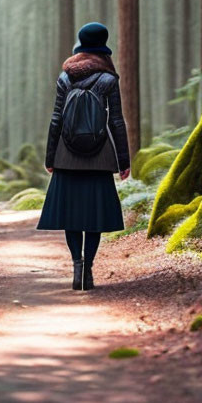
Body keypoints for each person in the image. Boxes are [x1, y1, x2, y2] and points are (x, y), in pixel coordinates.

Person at [36, 21, 131, 291]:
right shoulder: (108, 79)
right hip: (100, 156)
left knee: (71, 215)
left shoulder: (65, 78)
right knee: (94, 216)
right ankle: (88, 268)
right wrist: (123, 162)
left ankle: (76, 266)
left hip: (66, 155)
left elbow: (56, 119)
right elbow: (116, 122)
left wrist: (50, 157)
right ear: (103, 48)